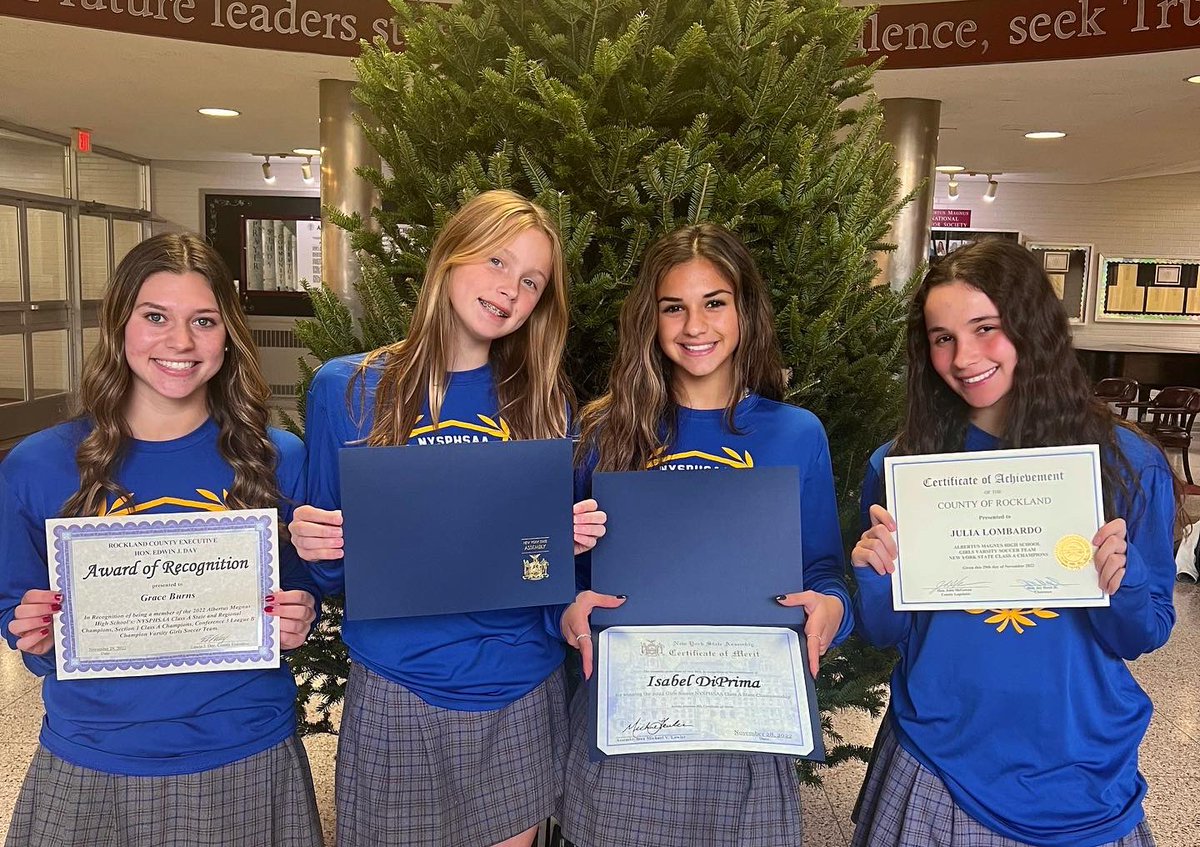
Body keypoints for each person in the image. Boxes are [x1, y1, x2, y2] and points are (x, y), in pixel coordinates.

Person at [287, 189, 605, 847]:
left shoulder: (545, 402)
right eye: (496, 261)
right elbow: (333, 572)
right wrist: (312, 542)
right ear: (449, 256)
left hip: (516, 680)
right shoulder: (349, 388)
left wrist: (567, 547)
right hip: (398, 681)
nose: (509, 289)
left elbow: (544, 564)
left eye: (530, 280)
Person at [851, 239, 1179, 847]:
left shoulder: (1125, 464)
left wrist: (1121, 581)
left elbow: (1145, 634)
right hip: (938, 757)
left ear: (1032, 326)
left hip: (1081, 769)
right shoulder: (903, 466)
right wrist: (875, 576)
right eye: (941, 336)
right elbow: (888, 634)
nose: (963, 356)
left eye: (986, 328)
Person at [0, 233, 322, 846]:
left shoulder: (278, 459)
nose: (180, 343)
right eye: (156, 318)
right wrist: (34, 633)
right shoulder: (38, 466)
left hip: (245, 749)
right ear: (120, 324)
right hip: (94, 756)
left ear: (228, 335)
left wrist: (300, 613)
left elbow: (304, 591)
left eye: (203, 321)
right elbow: (11, 609)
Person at [557, 223, 854, 847]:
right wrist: (568, 607)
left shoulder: (795, 434)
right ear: (650, 319)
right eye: (674, 307)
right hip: (630, 708)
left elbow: (823, 571)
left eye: (714, 302)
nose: (695, 326)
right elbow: (568, 572)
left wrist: (833, 609)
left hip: (746, 713)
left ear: (744, 311)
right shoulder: (602, 432)